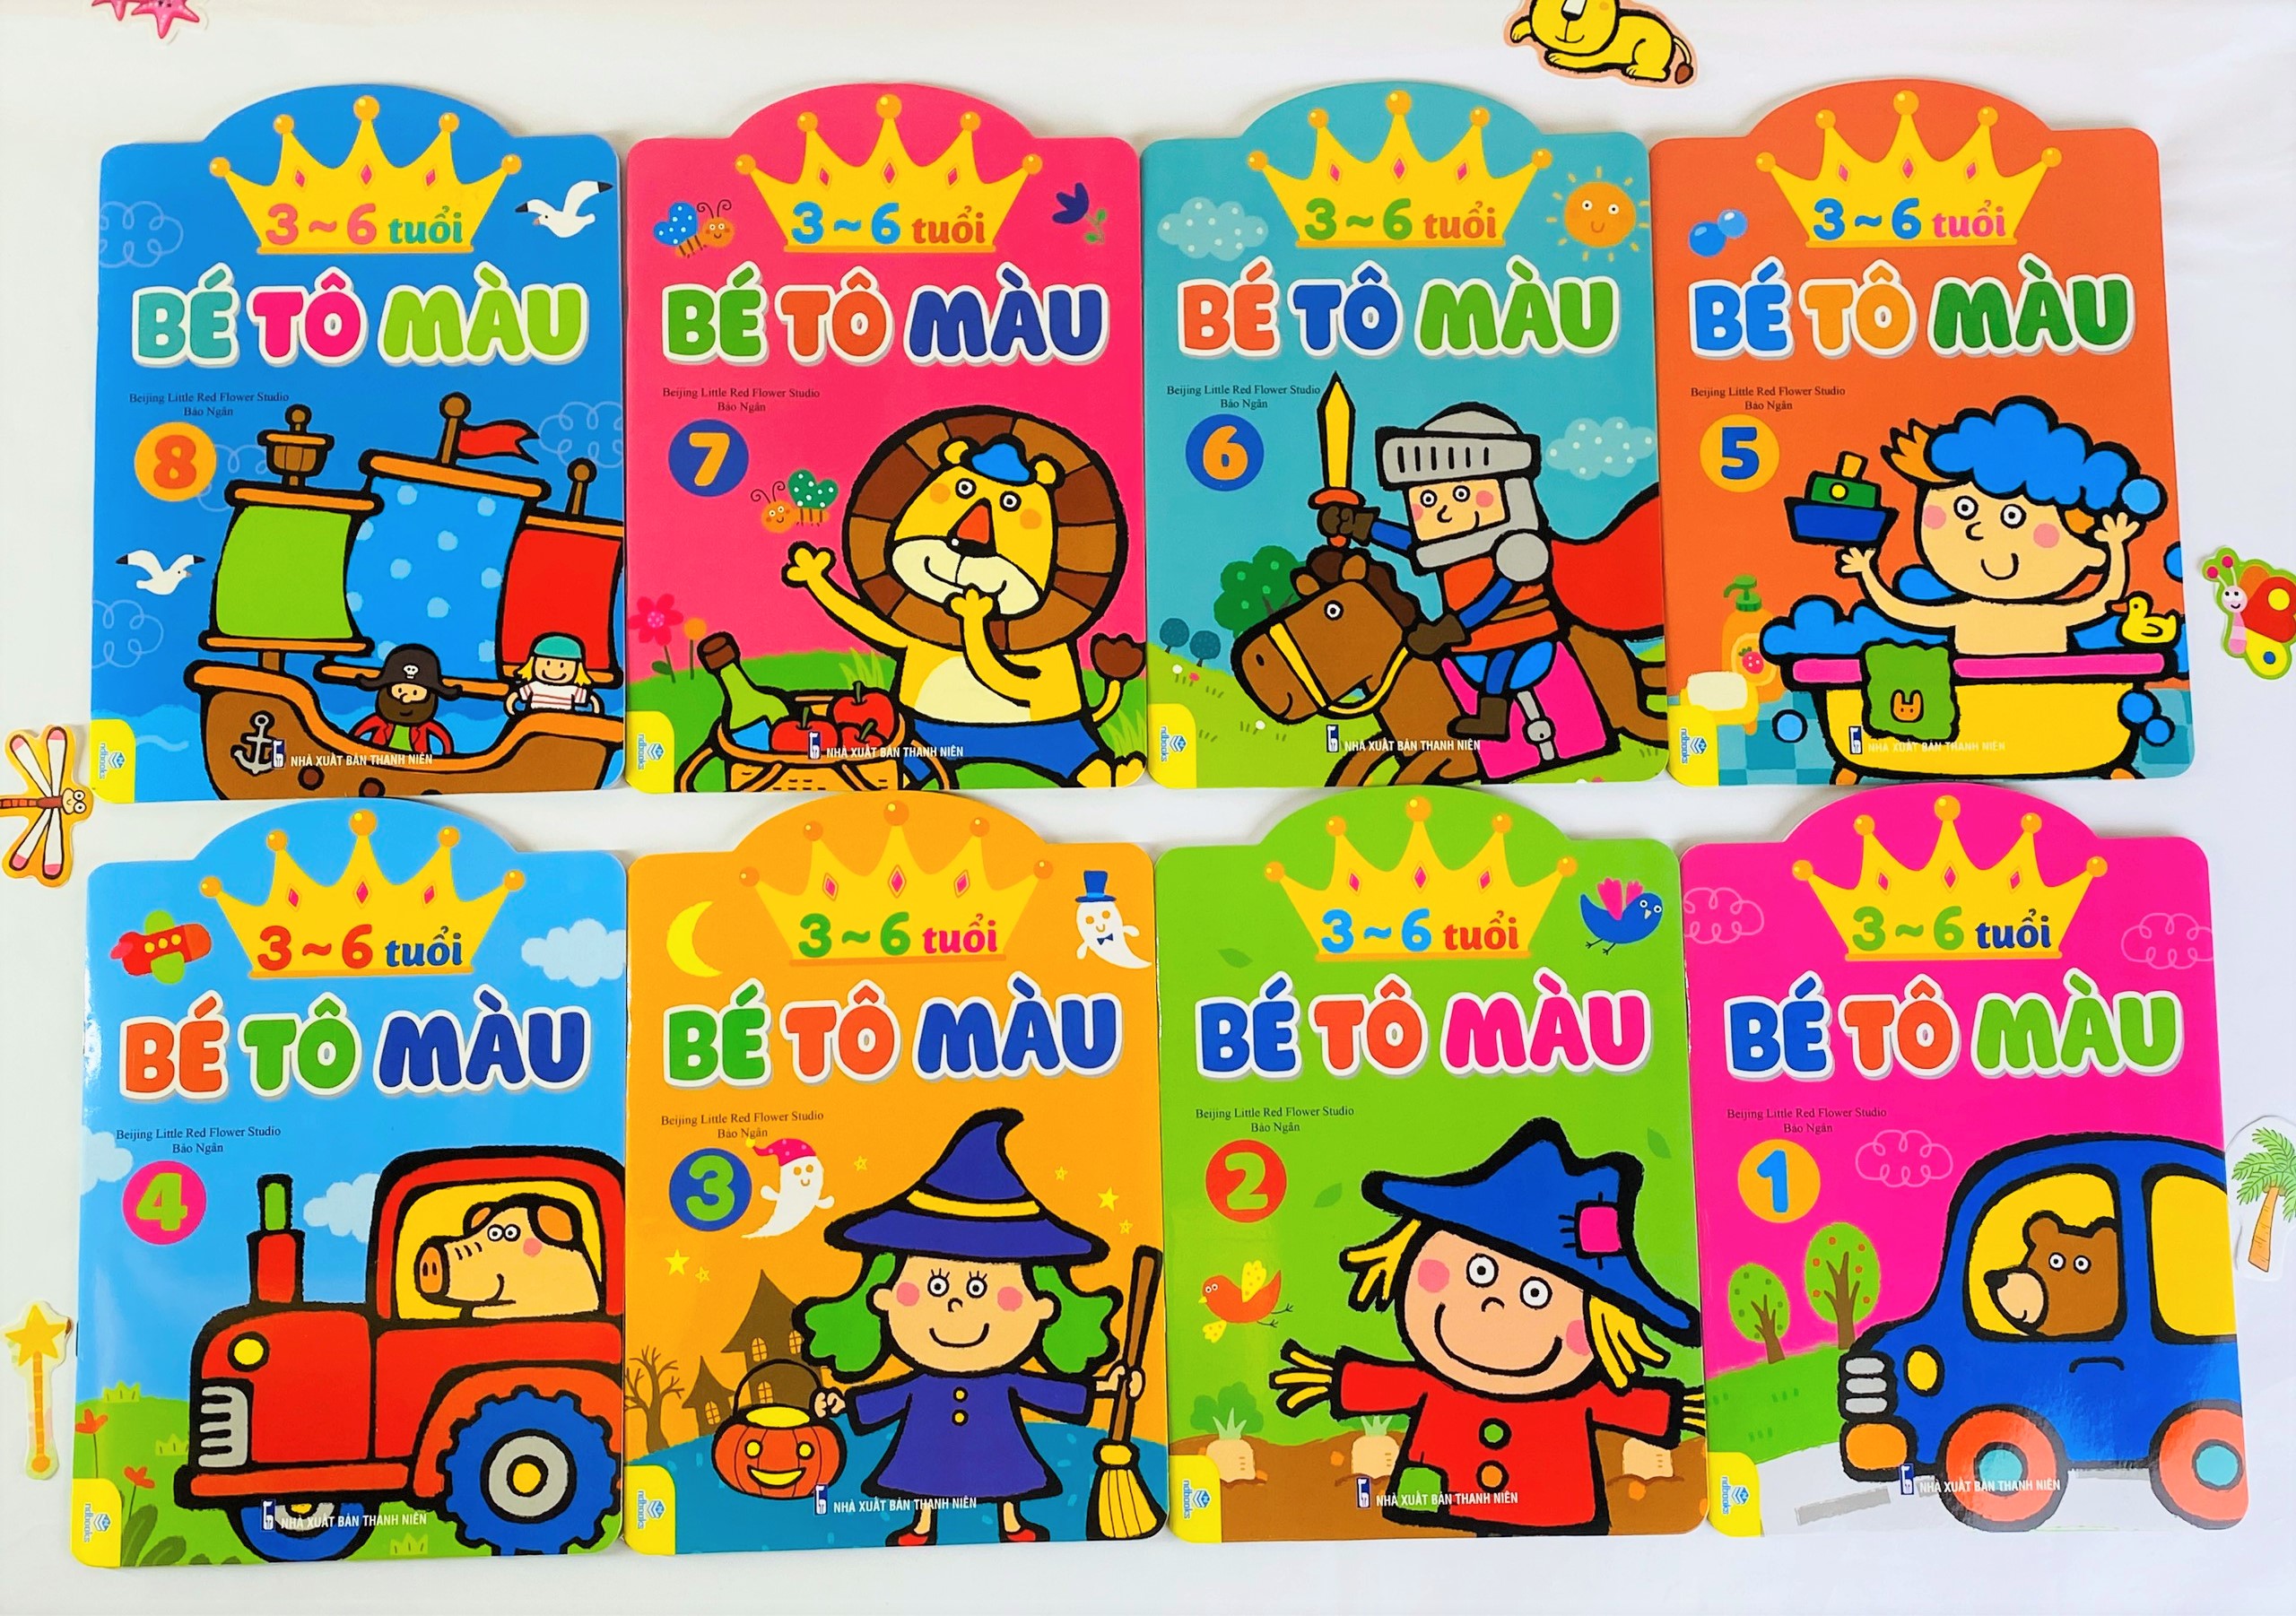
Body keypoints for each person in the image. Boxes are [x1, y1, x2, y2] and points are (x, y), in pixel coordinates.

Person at [1272, 1117, 1701, 1534]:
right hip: (1437, 1518)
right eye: (1479, 1270)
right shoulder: (1436, 1384)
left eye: (1537, 1293)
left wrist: (1681, 1409)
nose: (1494, 1304)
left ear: (1605, 1325)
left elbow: (1623, 1403)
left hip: (1554, 1518)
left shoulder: (1577, 1395)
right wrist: (1332, 1380)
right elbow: (1395, 1383)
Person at [797, 1108, 1140, 1546]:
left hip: (998, 1445)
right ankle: (923, 1524)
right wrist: (841, 1404)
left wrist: (1108, 1387)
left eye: (981, 1288)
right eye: (935, 1286)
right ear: (884, 1297)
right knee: (921, 1474)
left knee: (1007, 1473)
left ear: (1042, 1307)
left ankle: (1012, 1521)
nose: (955, 1305)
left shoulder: (1006, 1379)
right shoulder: (920, 1384)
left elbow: (1047, 1392)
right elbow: (884, 1399)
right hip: (926, 1447)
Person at [1843, 395, 2167, 656]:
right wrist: (1866, 571)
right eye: (1964, 509)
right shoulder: (1967, 613)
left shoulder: (2049, 615)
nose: (1979, 531)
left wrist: (2115, 545)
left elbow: (2106, 597)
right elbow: (1902, 611)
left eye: (2014, 517)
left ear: (2087, 552)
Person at [1318, 404, 1566, 741]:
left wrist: (1449, 629)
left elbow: (1493, 599)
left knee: (1501, 663)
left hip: (1521, 630)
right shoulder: (1447, 547)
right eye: (1428, 499)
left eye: (1462, 493)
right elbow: (1409, 541)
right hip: (1470, 642)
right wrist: (1358, 525)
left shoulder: (1512, 554)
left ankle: (1493, 716)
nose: (1444, 509)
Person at [350, 644, 455, 757]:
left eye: (415, 693)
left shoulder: (425, 726)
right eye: (399, 691)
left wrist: (447, 754)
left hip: (417, 762)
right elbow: (357, 733)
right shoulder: (379, 721)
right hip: (379, 758)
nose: (406, 699)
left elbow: (443, 737)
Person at [503, 632, 602, 717]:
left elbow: (592, 699)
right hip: (535, 721)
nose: (554, 671)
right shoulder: (534, 686)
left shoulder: (572, 689)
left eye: (562, 665)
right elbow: (514, 696)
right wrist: (513, 712)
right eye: (548, 663)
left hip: (562, 723)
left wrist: (595, 715)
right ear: (533, 663)